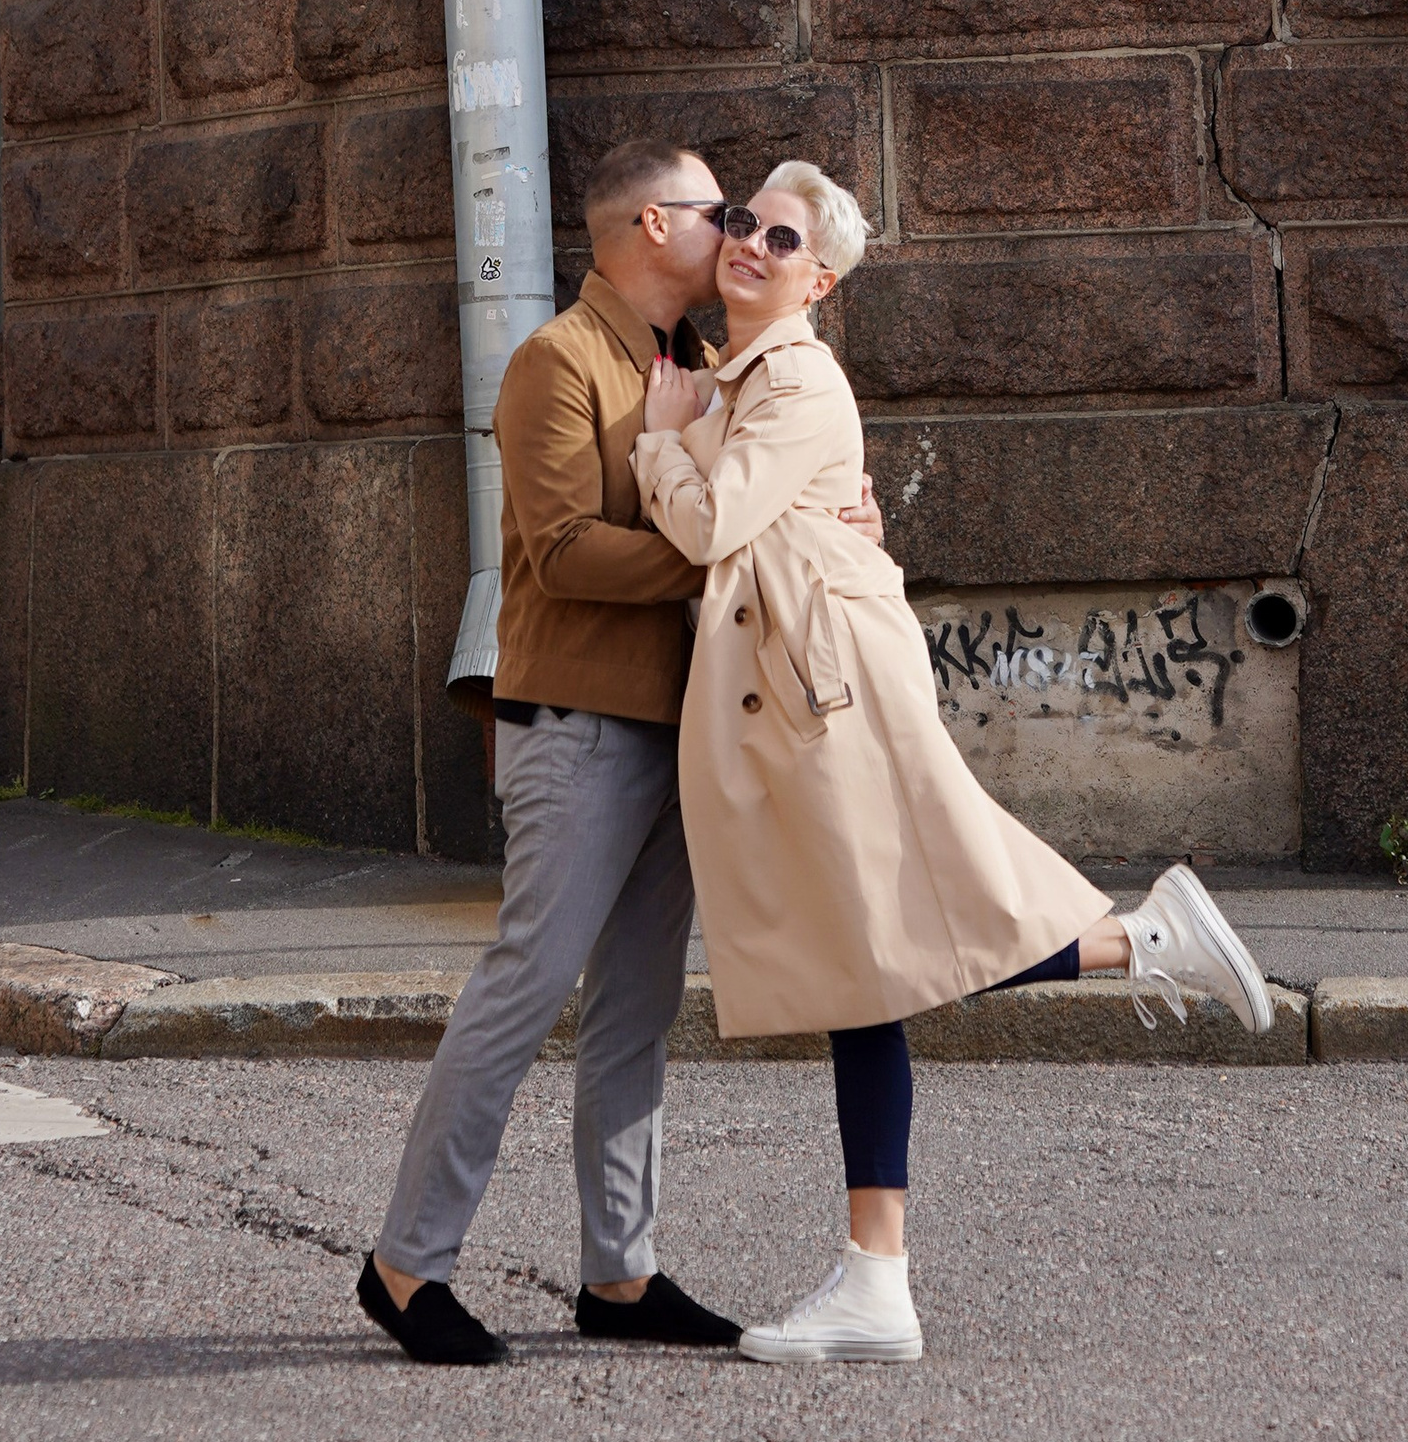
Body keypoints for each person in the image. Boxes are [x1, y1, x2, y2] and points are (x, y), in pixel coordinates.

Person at [633, 160, 1273, 1368]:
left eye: (782, 237)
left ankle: (1141, 942)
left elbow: (712, 522)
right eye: (743, 222)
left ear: (820, 280)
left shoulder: (794, 379)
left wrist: (659, 445)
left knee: (881, 954)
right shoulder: (743, 377)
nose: (751, 244)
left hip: (829, 705)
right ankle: (876, 1281)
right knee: (863, 970)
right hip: (811, 696)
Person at [358, 139, 753, 1368]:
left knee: (638, 1008)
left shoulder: (701, 362)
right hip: (577, 726)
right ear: (652, 225)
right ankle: (407, 1265)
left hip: (679, 722)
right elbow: (565, 549)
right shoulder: (556, 360)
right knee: (524, 991)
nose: (736, 231)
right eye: (718, 211)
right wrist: (721, 551)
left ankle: (619, 1276)